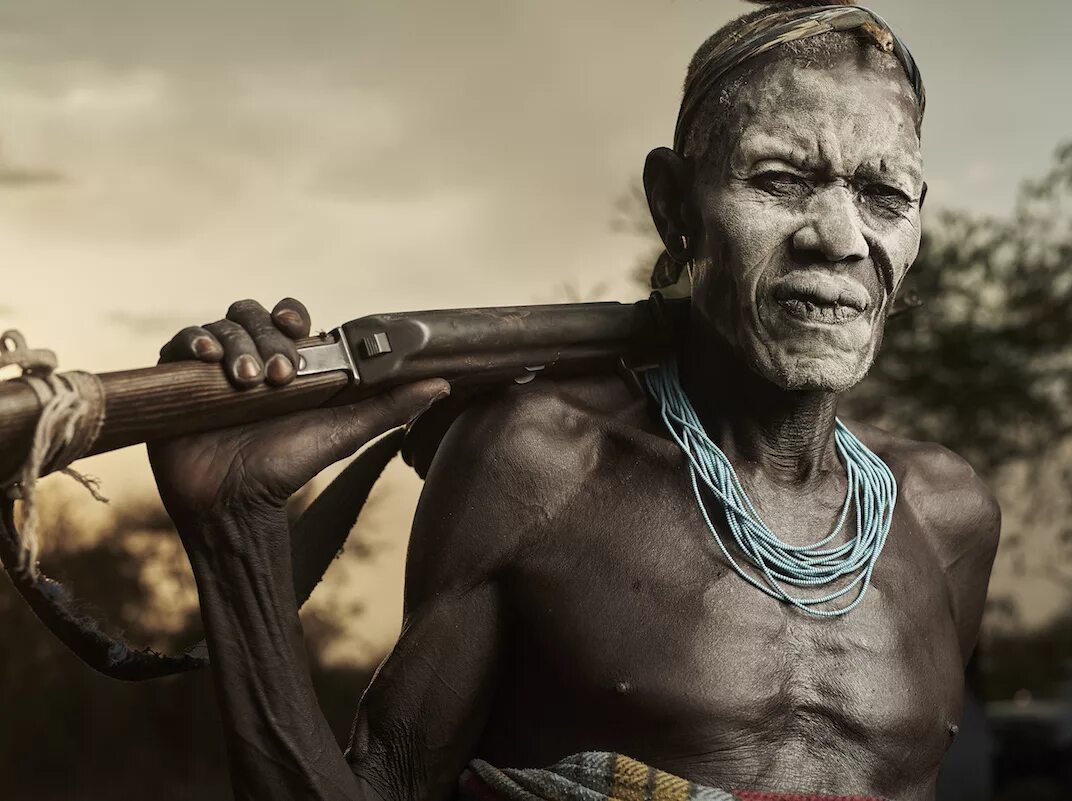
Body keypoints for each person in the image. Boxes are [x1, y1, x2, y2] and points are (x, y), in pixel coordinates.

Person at [150, 3, 1000, 800]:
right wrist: (239, 536)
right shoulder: (538, 462)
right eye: (779, 180)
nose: (842, 240)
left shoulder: (946, 516)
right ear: (675, 206)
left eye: (884, 196)